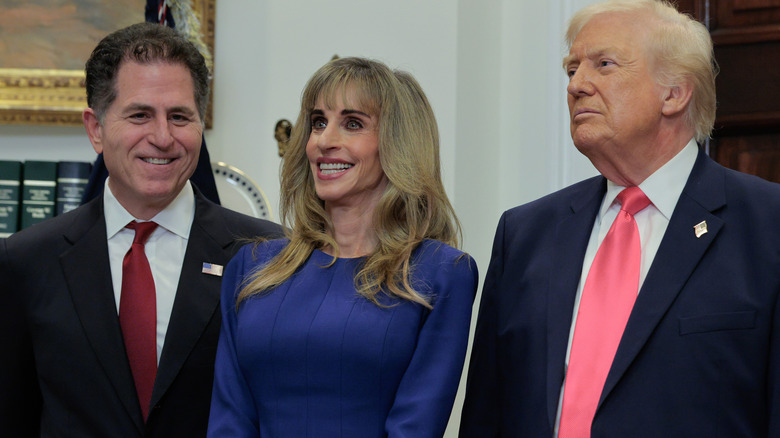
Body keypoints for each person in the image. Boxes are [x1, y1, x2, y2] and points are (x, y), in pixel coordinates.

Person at [460, 1, 780, 437]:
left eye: (603, 64)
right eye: (572, 69)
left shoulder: (767, 225)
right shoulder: (525, 235)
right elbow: (487, 415)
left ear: (674, 93)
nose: (577, 85)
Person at [0, 22, 281, 437]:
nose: (163, 137)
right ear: (95, 129)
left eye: (180, 116)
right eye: (140, 115)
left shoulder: (266, 254)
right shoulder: (26, 261)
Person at [208, 57, 478, 437]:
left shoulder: (440, 273)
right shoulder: (251, 267)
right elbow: (228, 420)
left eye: (352, 124)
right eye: (318, 122)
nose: (323, 140)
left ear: (398, 144)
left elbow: (415, 427)